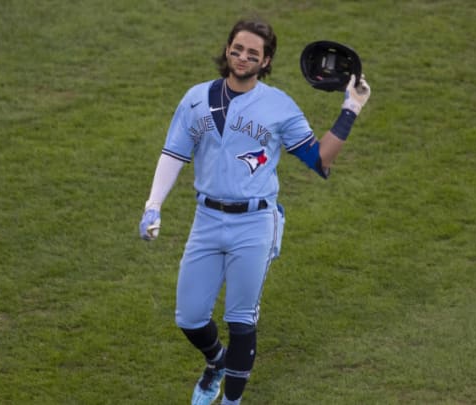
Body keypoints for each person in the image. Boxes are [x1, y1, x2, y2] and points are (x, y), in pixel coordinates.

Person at [138, 18, 370, 405]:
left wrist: (351, 107)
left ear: (266, 62)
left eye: (253, 53)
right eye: (238, 48)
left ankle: (232, 401)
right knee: (190, 317)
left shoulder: (279, 106)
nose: (243, 57)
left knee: (241, 318)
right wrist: (152, 205)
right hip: (207, 219)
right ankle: (216, 362)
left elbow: (320, 162)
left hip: (255, 223)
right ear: (227, 49)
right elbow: (174, 153)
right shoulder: (196, 98)